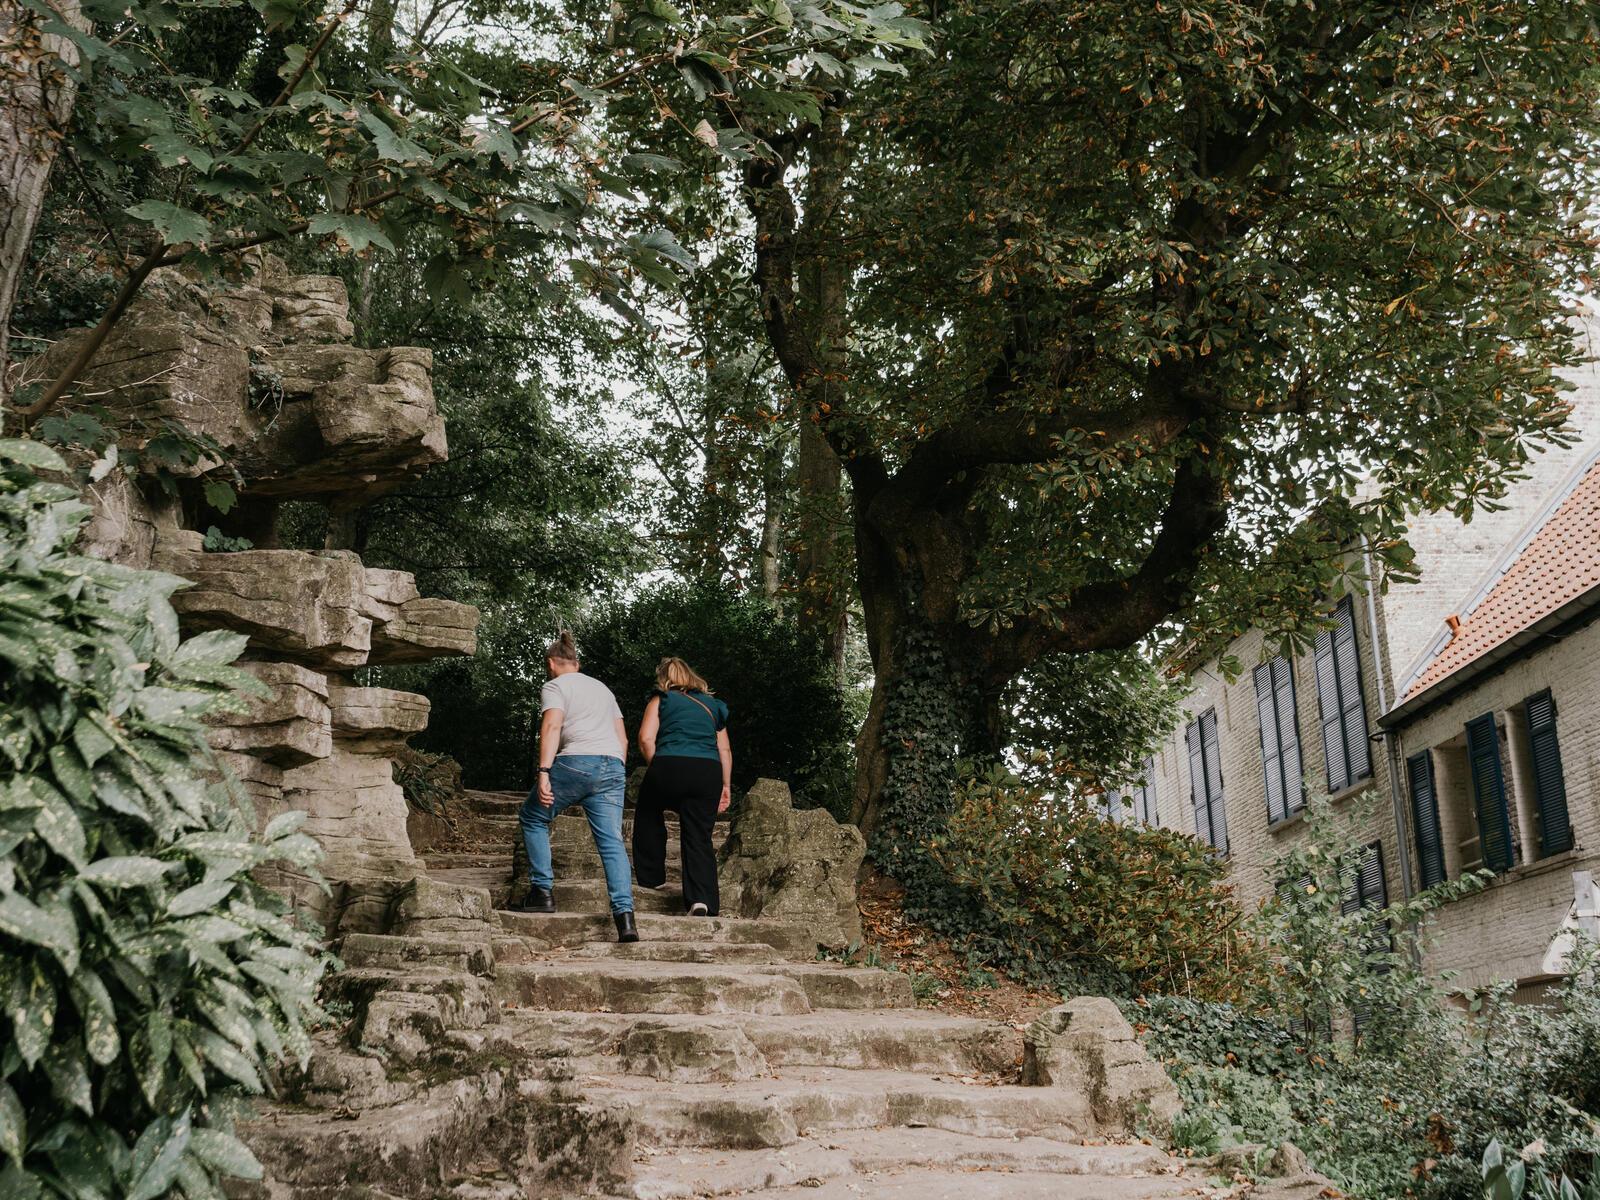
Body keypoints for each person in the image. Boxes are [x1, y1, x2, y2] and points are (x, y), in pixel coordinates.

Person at [514, 631, 638, 943]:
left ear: (551, 663)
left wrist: (544, 771)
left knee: (533, 817)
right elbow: (623, 739)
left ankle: (542, 892)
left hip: (575, 762)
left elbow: (552, 725)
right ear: (577, 663)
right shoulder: (603, 689)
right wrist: (615, 769)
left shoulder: (554, 685)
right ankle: (625, 919)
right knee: (611, 841)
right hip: (612, 765)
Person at [634, 657, 731, 917]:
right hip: (708, 771)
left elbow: (645, 739)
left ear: (664, 678)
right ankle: (702, 900)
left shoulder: (661, 699)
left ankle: (651, 877)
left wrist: (661, 766)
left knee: (648, 811)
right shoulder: (713, 706)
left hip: (669, 763)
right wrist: (725, 785)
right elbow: (724, 748)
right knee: (699, 834)